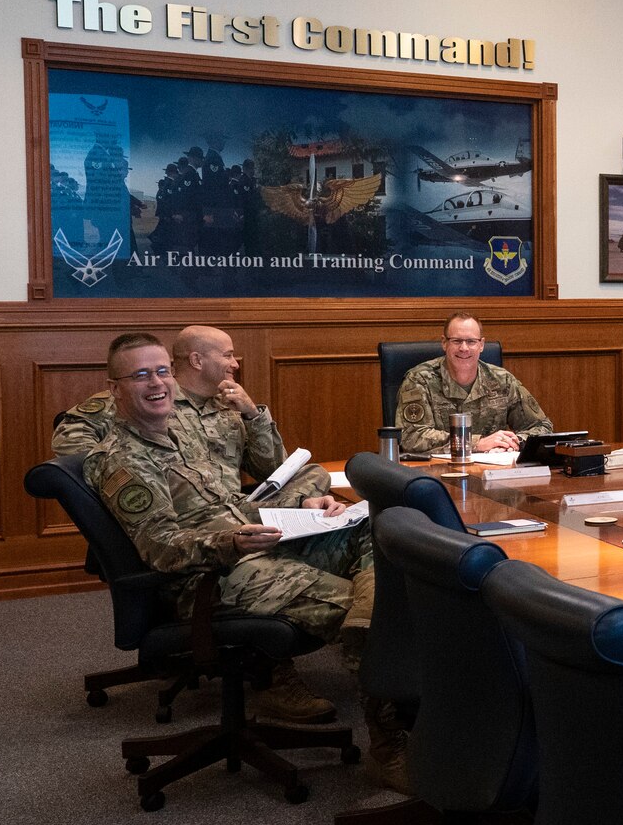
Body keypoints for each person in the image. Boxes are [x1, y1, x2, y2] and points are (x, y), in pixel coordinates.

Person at [84, 337, 408, 789]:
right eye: (140, 375)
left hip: (254, 543)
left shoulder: (177, 430)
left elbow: (228, 501)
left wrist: (303, 507)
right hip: (210, 577)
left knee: (374, 529)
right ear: (114, 388)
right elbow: (162, 547)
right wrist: (231, 541)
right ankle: (390, 746)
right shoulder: (121, 461)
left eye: (161, 371)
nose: (156, 383)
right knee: (369, 614)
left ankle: (370, 622)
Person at [52, 326, 285, 468]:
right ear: (196, 360)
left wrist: (253, 416)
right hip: (175, 521)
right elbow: (70, 435)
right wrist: (126, 473)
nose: (235, 364)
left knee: (305, 489)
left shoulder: (229, 409)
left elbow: (274, 470)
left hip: (231, 512)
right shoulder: (146, 399)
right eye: (228, 355)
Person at [395, 312, 552, 455]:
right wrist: (476, 443)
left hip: (493, 468)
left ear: (481, 345)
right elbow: (411, 437)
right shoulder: (419, 380)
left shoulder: (503, 380)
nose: (464, 348)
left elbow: (542, 426)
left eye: (471, 341)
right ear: (444, 343)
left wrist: (513, 442)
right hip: (436, 471)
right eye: (456, 341)